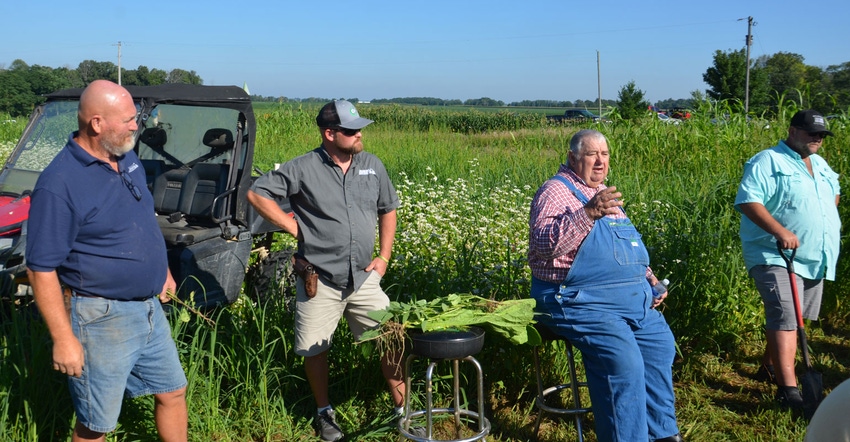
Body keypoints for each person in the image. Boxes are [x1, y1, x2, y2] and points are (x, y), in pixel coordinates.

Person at [25, 80, 187, 442]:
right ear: (97, 123)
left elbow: (141, 218)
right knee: (97, 425)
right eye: (129, 119)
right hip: (101, 318)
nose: (137, 126)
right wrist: (63, 339)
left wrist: (161, 271)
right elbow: (40, 268)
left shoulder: (125, 156)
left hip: (149, 309)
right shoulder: (60, 183)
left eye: (137, 118)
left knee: (173, 391)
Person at [247, 100, 405, 441]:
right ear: (329, 133)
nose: (359, 133)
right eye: (351, 130)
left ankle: (402, 411)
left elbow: (388, 209)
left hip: (364, 278)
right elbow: (257, 193)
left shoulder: (372, 166)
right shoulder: (303, 167)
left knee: (391, 340)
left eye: (360, 128)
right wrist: (292, 227)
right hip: (319, 279)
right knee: (316, 348)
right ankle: (324, 412)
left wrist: (385, 256)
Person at [528, 129, 684, 442]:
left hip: (629, 298)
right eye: (591, 154)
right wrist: (588, 214)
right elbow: (543, 245)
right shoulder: (556, 192)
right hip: (577, 300)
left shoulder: (602, 194)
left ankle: (662, 434)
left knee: (659, 346)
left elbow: (626, 248)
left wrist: (650, 279)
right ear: (573, 158)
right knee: (622, 361)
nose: (600, 162)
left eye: (605, 154)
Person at [735, 109, 841, 409]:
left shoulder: (819, 164)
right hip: (774, 253)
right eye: (812, 134)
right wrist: (780, 229)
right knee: (785, 315)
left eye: (821, 135)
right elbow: (748, 200)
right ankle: (789, 389)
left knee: (796, 318)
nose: (817, 139)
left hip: (813, 256)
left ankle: (769, 366)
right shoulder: (767, 161)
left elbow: (833, 193)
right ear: (793, 131)